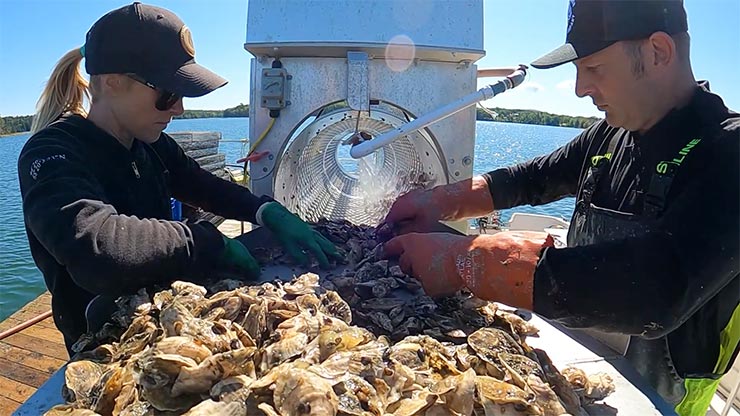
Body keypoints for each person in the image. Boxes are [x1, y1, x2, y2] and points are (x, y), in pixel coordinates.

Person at [382, 0, 739, 414]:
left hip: (666, 395)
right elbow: (530, 178)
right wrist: (437, 201)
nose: (579, 89)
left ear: (658, 52)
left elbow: (660, 288)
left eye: (595, 69)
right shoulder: (609, 134)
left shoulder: (726, 152)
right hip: (588, 362)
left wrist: (466, 260)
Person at [18, 2, 338, 354]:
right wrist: (206, 242)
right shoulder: (52, 153)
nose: (179, 109)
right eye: (168, 94)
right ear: (112, 82)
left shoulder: (150, 143)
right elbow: (95, 248)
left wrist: (266, 212)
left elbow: (201, 184)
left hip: (169, 321)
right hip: (103, 341)